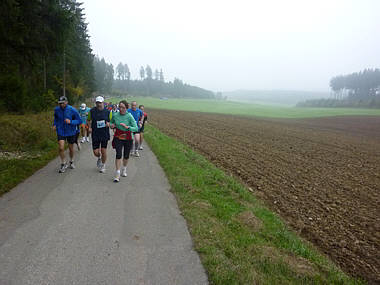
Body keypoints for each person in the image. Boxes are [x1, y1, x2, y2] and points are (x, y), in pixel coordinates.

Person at [110, 100, 138, 182]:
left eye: (123, 107)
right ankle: (117, 173)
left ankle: (124, 168)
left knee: (126, 155)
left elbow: (136, 128)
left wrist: (127, 127)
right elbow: (111, 124)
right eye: (120, 107)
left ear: (126, 108)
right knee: (118, 154)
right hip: (118, 136)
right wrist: (111, 126)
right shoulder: (115, 115)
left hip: (128, 137)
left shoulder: (129, 116)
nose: (121, 109)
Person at [53, 96, 81, 173]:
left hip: (71, 131)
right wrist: (54, 125)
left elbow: (79, 121)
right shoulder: (57, 110)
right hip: (61, 130)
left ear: (66, 102)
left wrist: (71, 122)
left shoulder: (72, 110)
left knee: (71, 148)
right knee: (61, 147)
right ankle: (63, 163)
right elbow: (56, 118)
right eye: (60, 103)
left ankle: (71, 161)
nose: (61, 105)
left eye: (62, 103)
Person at [87, 96, 112, 173]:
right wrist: (89, 127)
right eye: (97, 102)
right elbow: (88, 120)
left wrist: (109, 124)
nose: (98, 104)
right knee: (96, 152)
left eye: (100, 102)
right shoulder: (92, 111)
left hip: (104, 133)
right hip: (95, 133)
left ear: (103, 103)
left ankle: (103, 165)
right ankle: (99, 157)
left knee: (103, 150)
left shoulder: (108, 112)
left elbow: (112, 122)